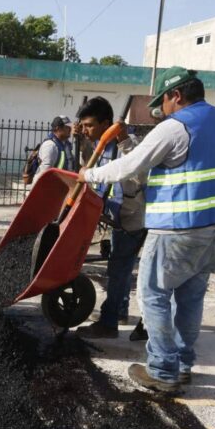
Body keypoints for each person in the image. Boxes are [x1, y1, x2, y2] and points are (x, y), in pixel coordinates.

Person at [77, 67, 215, 393]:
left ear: (176, 96)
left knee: (153, 295)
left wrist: (87, 176)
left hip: (175, 228)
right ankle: (182, 365)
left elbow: (130, 165)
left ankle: (163, 370)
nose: (161, 108)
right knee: (191, 298)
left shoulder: (176, 127)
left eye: (163, 101)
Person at [73, 97, 147, 339]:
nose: (85, 130)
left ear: (107, 123)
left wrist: (124, 138)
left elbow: (138, 173)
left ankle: (108, 323)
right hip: (118, 216)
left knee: (118, 270)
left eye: (89, 125)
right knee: (121, 269)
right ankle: (120, 311)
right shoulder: (102, 147)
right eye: (82, 125)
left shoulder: (129, 144)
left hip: (132, 219)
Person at [33, 115, 74, 183]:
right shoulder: (50, 146)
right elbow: (45, 172)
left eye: (70, 127)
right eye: (67, 127)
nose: (70, 129)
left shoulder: (64, 145)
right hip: (47, 188)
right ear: (58, 128)